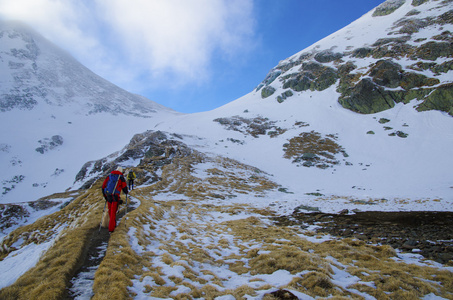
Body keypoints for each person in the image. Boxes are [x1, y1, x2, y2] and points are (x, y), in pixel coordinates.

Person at [102, 166, 128, 233]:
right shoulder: (121, 177)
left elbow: (103, 186)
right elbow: (124, 187)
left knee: (110, 211)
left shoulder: (110, 176)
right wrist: (126, 192)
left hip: (108, 196)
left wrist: (105, 196)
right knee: (113, 212)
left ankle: (110, 224)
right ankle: (111, 229)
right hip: (115, 197)